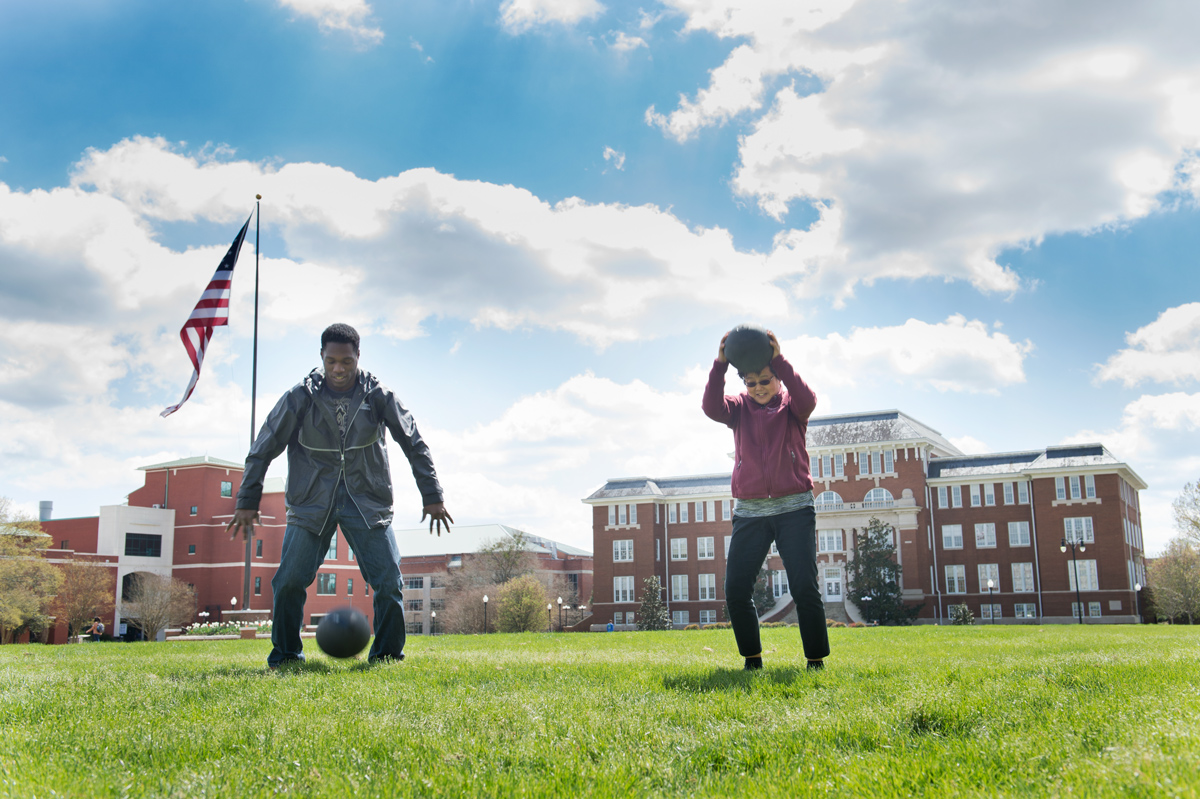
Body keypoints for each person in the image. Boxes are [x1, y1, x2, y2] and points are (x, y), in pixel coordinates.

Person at [226, 323, 452, 668]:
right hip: (311, 502)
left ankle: (388, 657)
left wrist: (432, 495)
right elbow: (262, 448)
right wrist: (246, 500)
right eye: (331, 361)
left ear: (358, 357)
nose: (339, 369)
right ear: (321, 357)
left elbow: (414, 444)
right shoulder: (299, 398)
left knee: (389, 582)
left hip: (367, 501)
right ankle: (286, 656)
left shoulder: (379, 396)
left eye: (346, 361)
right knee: (287, 582)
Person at [702, 330, 829, 671]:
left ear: (777, 379)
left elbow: (808, 398)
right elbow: (711, 407)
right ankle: (752, 660)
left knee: (804, 586)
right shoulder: (738, 409)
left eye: (766, 380)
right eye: (752, 382)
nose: (759, 387)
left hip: (794, 508)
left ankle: (815, 660)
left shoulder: (792, 408)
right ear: (743, 383)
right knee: (736, 589)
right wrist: (720, 365)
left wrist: (779, 360)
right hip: (751, 512)